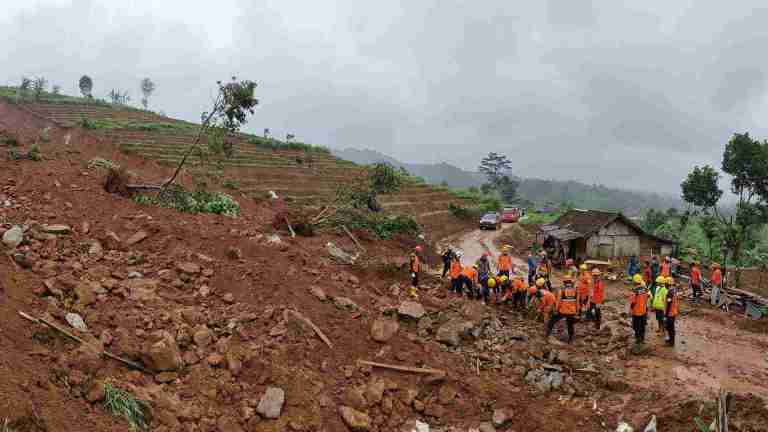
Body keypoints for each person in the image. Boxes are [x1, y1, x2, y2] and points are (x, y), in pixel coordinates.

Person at [546, 274, 579, 343]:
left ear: (564, 282)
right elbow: (577, 302)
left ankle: (547, 334)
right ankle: (570, 339)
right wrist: (577, 311)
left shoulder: (562, 290)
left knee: (552, 321)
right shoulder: (576, 290)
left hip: (563, 311)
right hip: (572, 311)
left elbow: (558, 301)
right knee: (570, 325)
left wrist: (556, 309)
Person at [629, 274, 649, 345]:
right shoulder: (645, 289)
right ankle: (642, 339)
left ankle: (638, 340)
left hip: (636, 312)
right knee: (642, 326)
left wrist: (630, 310)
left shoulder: (634, 291)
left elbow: (633, 302)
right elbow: (648, 297)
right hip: (643, 311)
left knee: (636, 327)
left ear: (634, 282)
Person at [665, 276, 680, 347]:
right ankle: (671, 339)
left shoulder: (670, 292)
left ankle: (672, 342)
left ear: (667, 284)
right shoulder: (674, 290)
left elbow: (668, 304)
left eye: (665, 283)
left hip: (670, 313)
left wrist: (666, 315)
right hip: (674, 311)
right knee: (670, 327)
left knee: (670, 327)